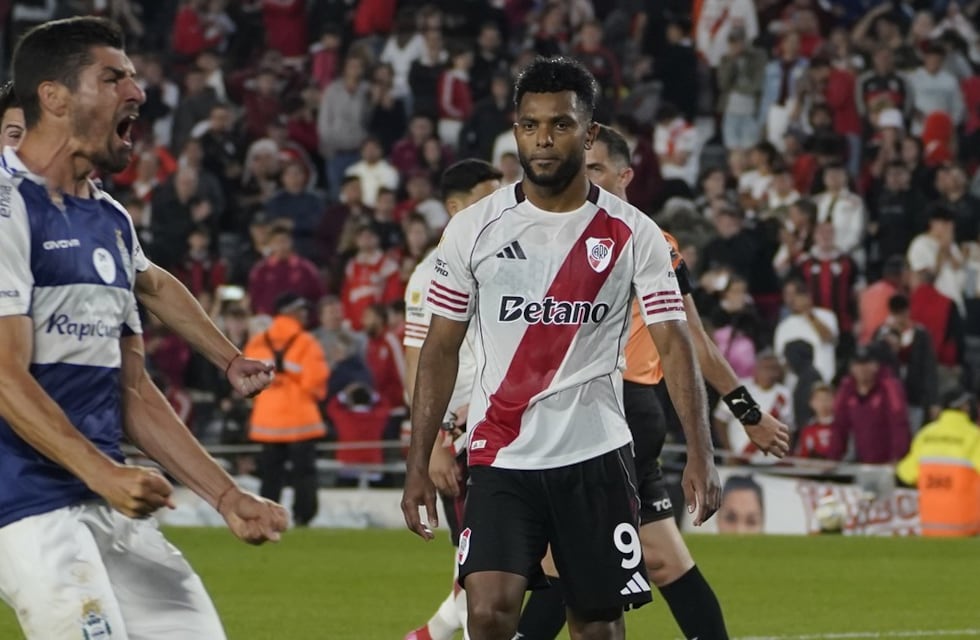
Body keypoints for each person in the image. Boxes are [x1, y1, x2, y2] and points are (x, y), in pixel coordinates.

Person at [401, 56, 722, 640]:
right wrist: (418, 458)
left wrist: (700, 449)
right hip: (501, 456)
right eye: (530, 125)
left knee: (596, 623)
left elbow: (677, 346)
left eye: (560, 124)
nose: (543, 139)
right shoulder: (473, 230)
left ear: (589, 131)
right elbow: (438, 349)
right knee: (490, 609)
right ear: (515, 129)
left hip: (594, 456)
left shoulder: (635, 234)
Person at [0, 17, 287, 639]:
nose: (138, 89)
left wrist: (226, 496)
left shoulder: (111, 220)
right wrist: (102, 473)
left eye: (134, 74)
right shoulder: (5, 209)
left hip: (107, 498)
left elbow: (131, 393)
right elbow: (3, 377)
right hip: (23, 502)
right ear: (52, 96)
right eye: (114, 77)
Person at [513, 123, 792, 640]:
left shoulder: (650, 242)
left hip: (619, 412)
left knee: (560, 564)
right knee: (662, 561)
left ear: (626, 175)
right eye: (582, 166)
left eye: (596, 167)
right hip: (586, 412)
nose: (585, 176)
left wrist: (746, 412)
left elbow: (694, 341)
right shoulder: (556, 236)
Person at [0, 66, 275, 402]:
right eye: (14, 135)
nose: (28, 151)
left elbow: (154, 286)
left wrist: (229, 358)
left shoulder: (103, 214)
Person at [403, 159, 503, 640]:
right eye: (489, 196)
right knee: (483, 573)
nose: (501, 206)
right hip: (461, 440)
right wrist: (435, 443)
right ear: (456, 208)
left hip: (502, 429)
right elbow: (416, 366)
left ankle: (430, 636)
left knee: (497, 565)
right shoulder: (430, 276)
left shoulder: (503, 262)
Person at [243, 293, 330, 526]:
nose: (304, 314)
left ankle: (268, 518)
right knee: (304, 474)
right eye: (301, 310)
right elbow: (316, 382)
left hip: (267, 421)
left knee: (270, 476)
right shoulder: (306, 342)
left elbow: (245, 379)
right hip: (301, 420)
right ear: (289, 312)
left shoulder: (258, 342)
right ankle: (303, 517)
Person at [897, 387, 980, 537]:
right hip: (966, 526)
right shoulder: (974, 436)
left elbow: (905, 473)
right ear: (964, 407)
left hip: (930, 525)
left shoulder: (925, 434)